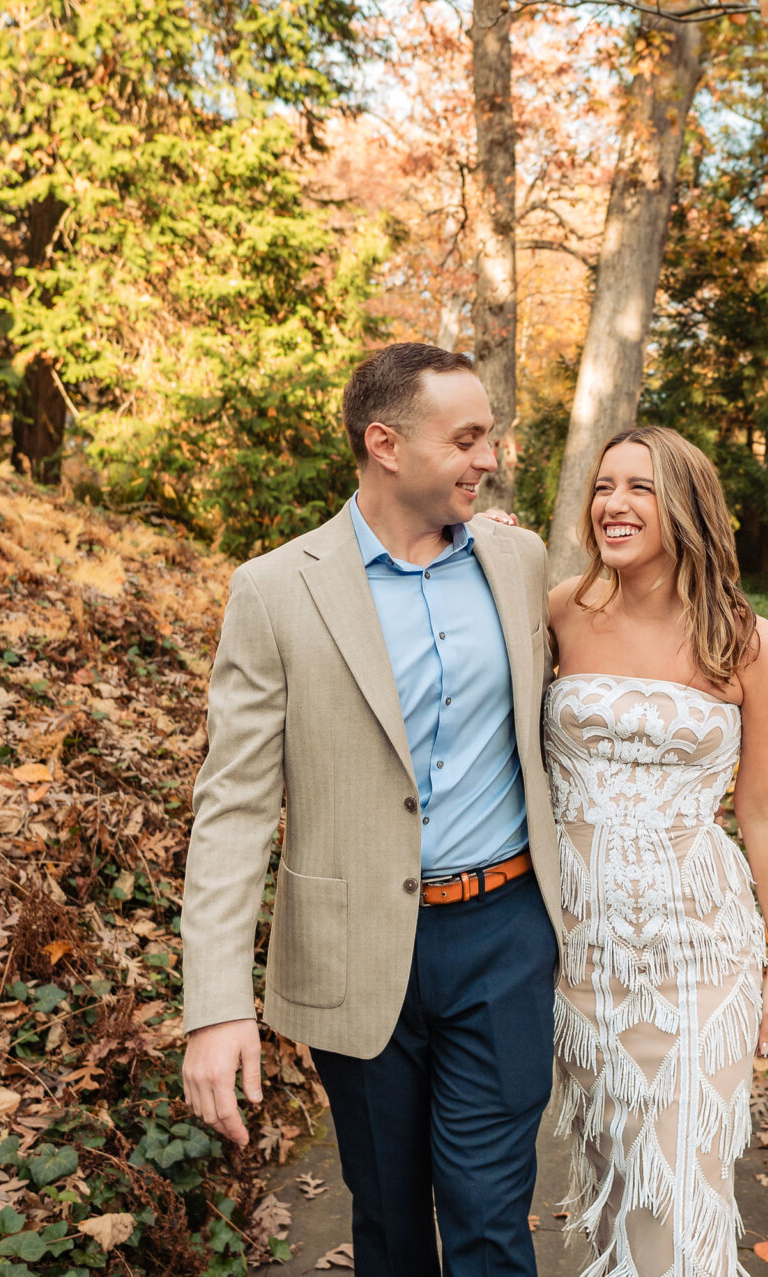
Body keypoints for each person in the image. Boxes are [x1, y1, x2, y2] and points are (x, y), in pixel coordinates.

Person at [178, 342, 564, 1277]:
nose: (490, 458)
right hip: (353, 948)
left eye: (492, 439)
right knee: (389, 1221)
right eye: (467, 438)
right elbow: (231, 806)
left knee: (489, 1224)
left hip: (505, 936)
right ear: (385, 443)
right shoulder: (275, 588)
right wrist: (215, 1004)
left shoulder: (517, 560)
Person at [543, 426, 768, 1277]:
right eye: (603, 486)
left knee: (684, 1186)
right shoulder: (557, 610)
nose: (612, 504)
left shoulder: (748, 641)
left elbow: (763, 808)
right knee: (620, 1180)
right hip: (580, 948)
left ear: (684, 505)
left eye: (638, 488)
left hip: (703, 947)